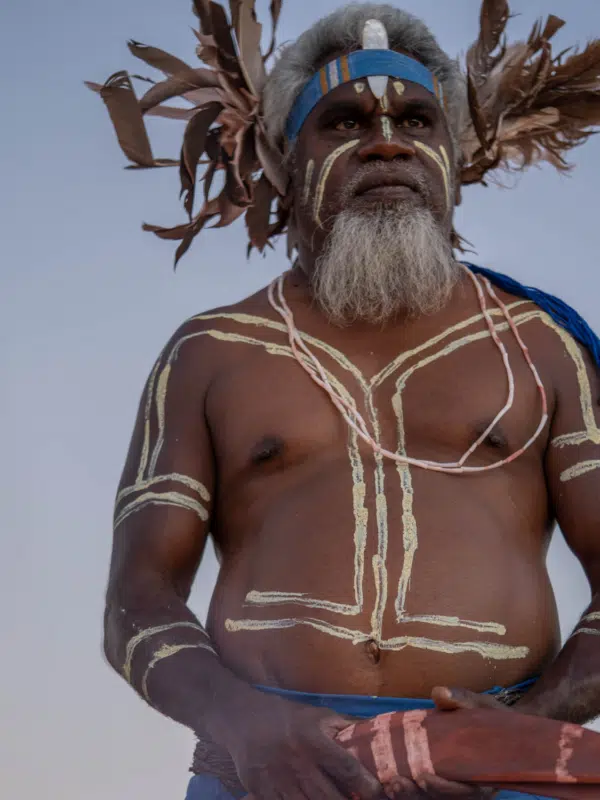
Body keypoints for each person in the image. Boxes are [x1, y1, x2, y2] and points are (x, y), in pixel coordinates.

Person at [90, 1, 600, 797]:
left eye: (419, 121)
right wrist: (245, 725)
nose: (387, 142)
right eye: (343, 123)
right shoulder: (213, 354)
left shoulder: (543, 349)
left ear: (453, 164)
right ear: (287, 168)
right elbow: (136, 602)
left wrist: (521, 728)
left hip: (509, 766)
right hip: (264, 770)